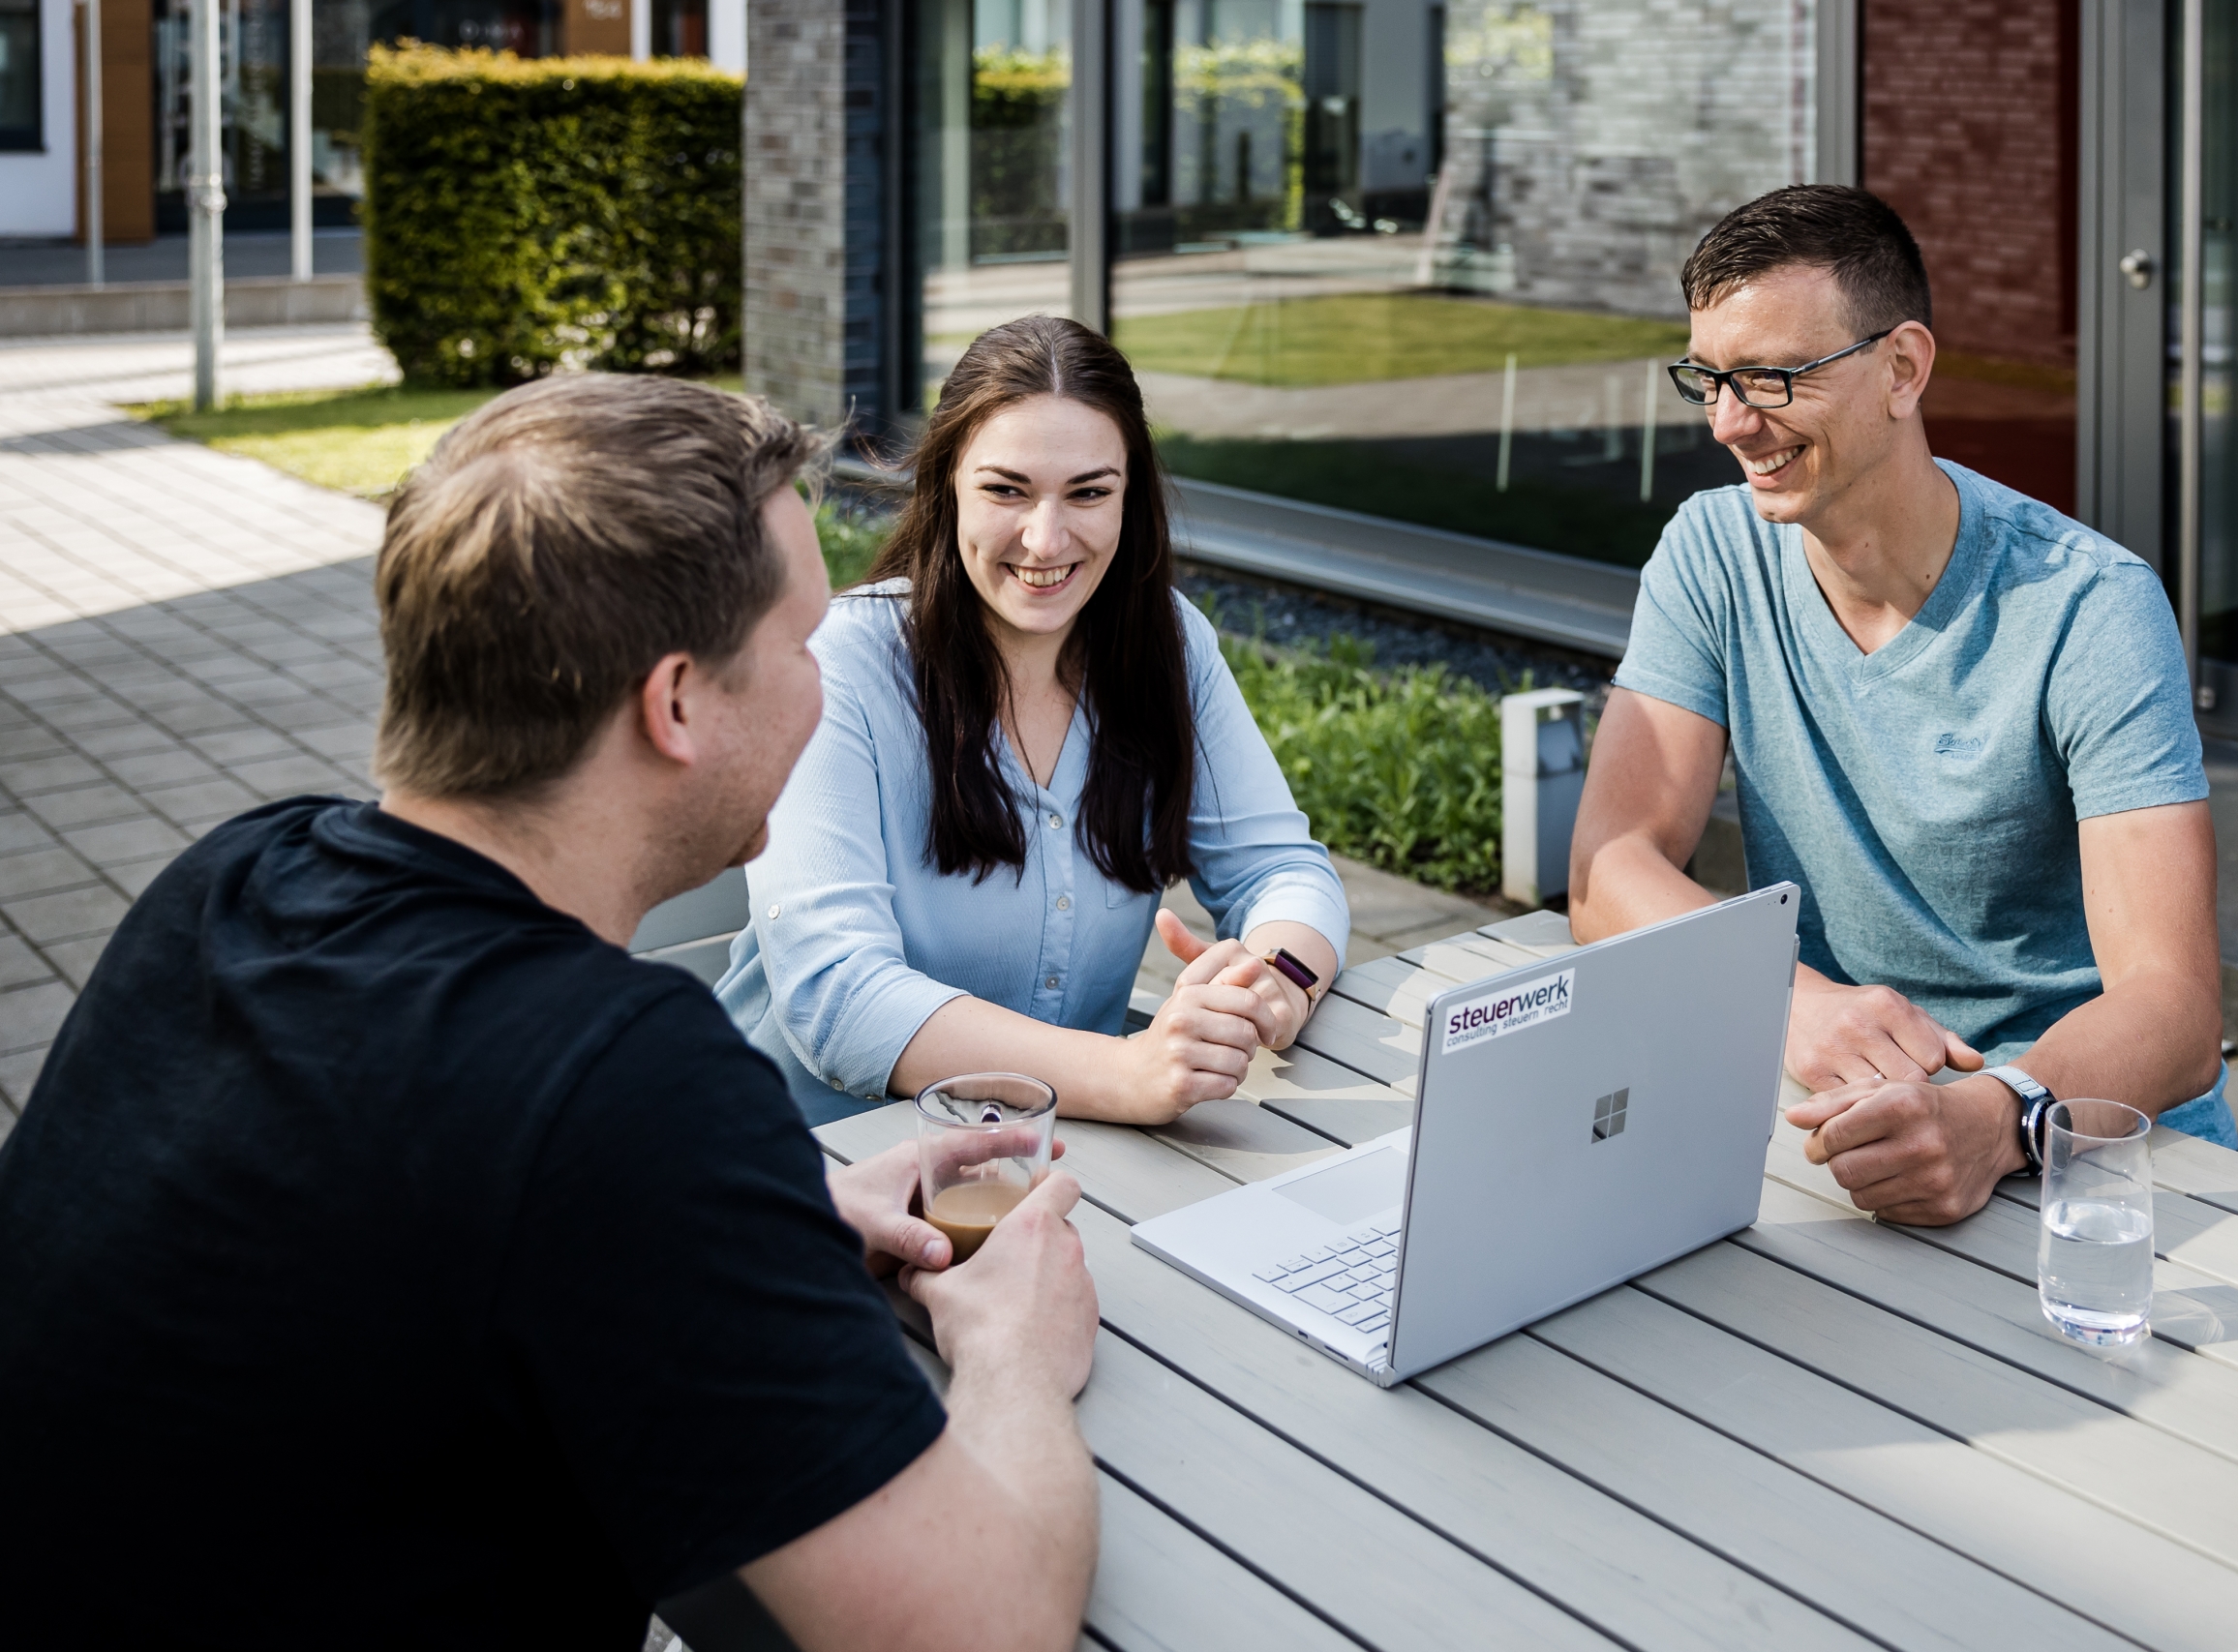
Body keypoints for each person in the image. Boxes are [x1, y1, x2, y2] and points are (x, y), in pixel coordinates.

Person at [0, 375, 1101, 1651]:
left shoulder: (232, 879)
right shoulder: (624, 1084)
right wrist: (1018, 1348)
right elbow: (984, 1629)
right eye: (802, 649)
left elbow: (414, 1205)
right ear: (675, 702)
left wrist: (753, 1212)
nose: (823, 687)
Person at [1569, 185, 2234, 1228]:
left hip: (2081, 1152)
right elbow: (1608, 873)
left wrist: (1994, 1118)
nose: (1731, 424)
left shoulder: (2090, 606)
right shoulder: (1711, 553)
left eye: (1774, 379)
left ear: (1902, 368)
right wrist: (1789, 999)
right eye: (1710, 379)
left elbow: (2176, 1011)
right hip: (1840, 1127)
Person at [718, 315, 1351, 1128]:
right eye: (1006, 489)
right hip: (808, 1163)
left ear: (1131, 496)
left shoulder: (1170, 643)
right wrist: (1123, 1072)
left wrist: (1276, 980)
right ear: (945, 486)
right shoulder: (840, 665)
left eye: (1089, 491)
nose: (1045, 539)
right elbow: (838, 991)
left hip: (1061, 1153)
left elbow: (1281, 869)